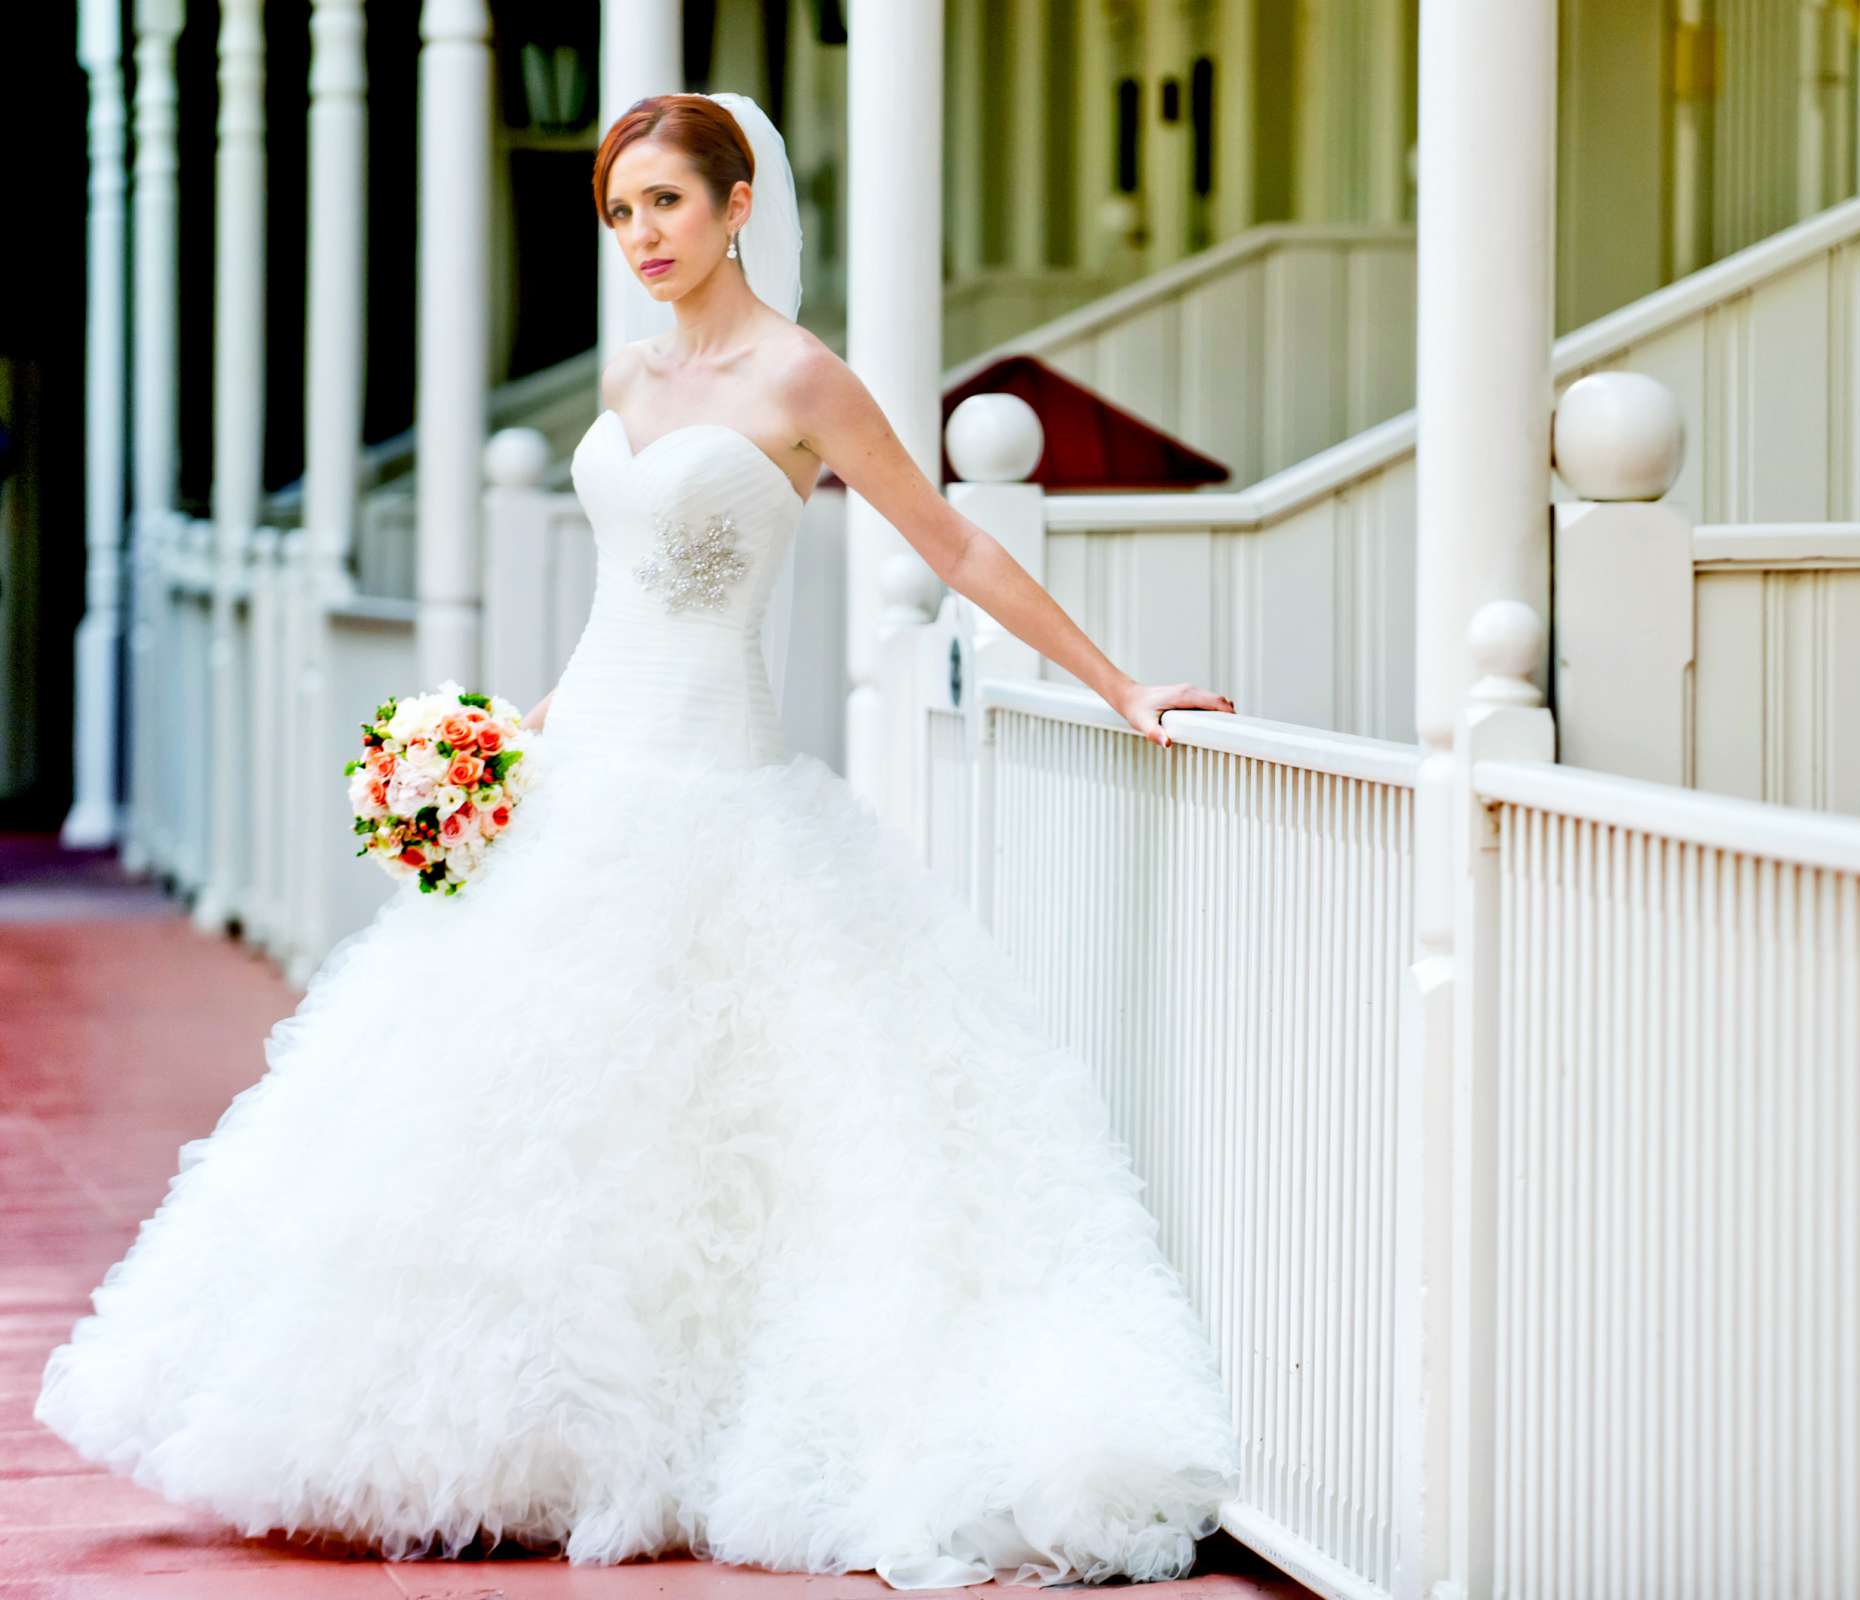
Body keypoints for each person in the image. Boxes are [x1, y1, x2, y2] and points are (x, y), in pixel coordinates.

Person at [35, 91, 1244, 1588]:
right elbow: (626, 600)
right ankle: (501, 1438)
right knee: (499, 1120)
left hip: (720, 794)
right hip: (585, 767)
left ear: (740, 207)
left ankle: (669, 1435)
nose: (641, 238)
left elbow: (957, 543)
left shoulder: (804, 381)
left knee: (706, 1129)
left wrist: (1122, 680)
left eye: (665, 204)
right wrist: (509, 739)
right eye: (619, 214)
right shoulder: (632, 373)